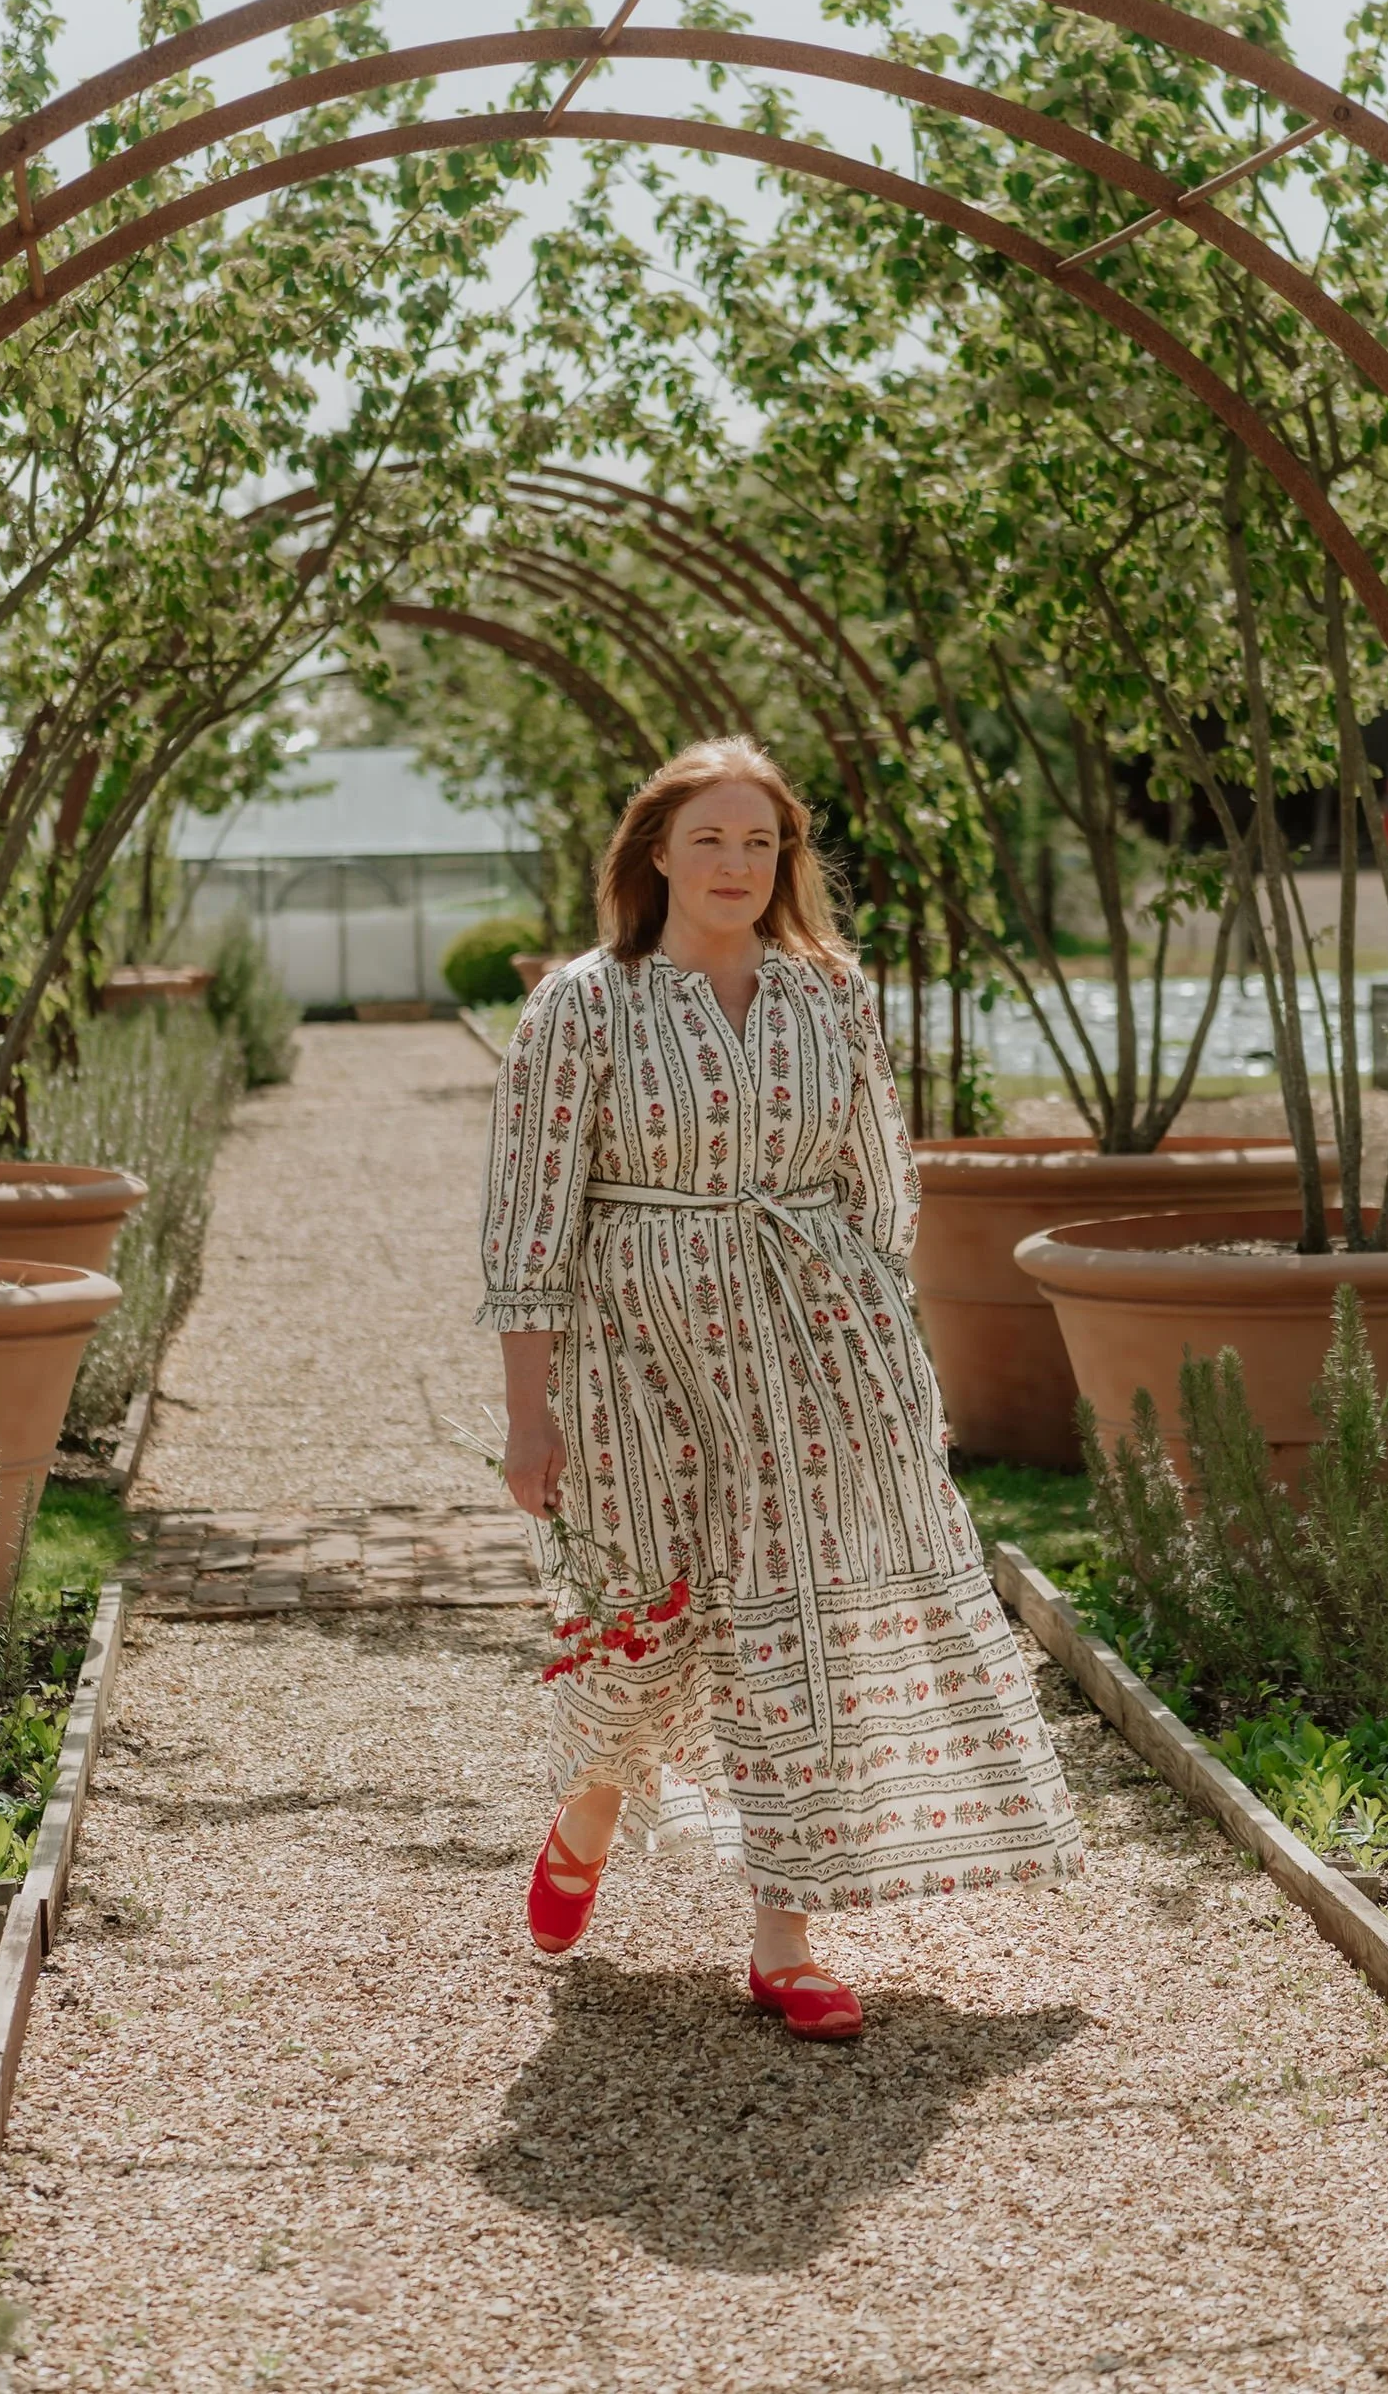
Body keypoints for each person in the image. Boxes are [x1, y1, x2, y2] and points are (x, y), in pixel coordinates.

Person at [478, 737, 1082, 2041]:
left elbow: (881, 1186)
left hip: (813, 1346)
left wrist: (878, 1341)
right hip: (638, 1344)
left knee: (796, 1627)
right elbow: (527, 1220)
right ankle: (589, 1806)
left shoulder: (832, 998)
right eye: (711, 840)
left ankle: (786, 1935)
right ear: (654, 853)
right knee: (647, 1610)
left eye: (762, 844)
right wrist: (532, 1412)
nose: (737, 865)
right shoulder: (582, 1006)